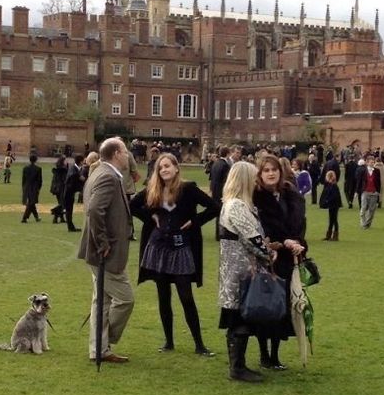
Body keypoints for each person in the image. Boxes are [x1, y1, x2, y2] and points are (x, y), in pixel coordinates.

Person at [130, 153, 218, 356]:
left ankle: (200, 345)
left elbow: (214, 207)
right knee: (163, 295)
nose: (164, 170)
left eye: (167, 166)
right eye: (160, 167)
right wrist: (151, 217)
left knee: (186, 296)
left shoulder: (188, 189)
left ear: (176, 168)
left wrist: (195, 221)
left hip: (181, 248)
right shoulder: (153, 190)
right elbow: (132, 206)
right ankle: (168, 341)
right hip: (158, 247)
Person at [219, 161, 277, 382]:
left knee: (238, 317)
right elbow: (253, 239)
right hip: (240, 271)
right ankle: (237, 367)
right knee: (239, 318)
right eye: (253, 177)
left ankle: (238, 365)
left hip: (238, 269)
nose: (257, 181)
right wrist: (269, 253)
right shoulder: (236, 206)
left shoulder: (238, 204)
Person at [78, 137, 135, 362]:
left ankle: (99, 350)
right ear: (116, 154)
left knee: (100, 301)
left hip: (100, 251)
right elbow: (93, 210)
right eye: (125, 151)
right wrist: (103, 243)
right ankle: (103, 341)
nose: (128, 155)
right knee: (125, 299)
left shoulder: (101, 173)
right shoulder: (108, 176)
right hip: (104, 253)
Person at [253, 155, 306, 370]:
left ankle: (274, 354)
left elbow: (299, 223)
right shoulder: (256, 197)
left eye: (274, 169)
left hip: (286, 258)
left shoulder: (290, 195)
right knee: (265, 306)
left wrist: (298, 243)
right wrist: (281, 242)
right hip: (267, 257)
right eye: (266, 170)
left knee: (281, 307)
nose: (271, 173)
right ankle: (264, 353)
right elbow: (261, 228)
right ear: (260, 173)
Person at [210, 146, 231, 240]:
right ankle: (220, 234)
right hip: (221, 192)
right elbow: (226, 181)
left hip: (214, 191)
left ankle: (218, 234)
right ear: (227, 154)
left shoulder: (215, 163)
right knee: (221, 213)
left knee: (218, 213)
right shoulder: (225, 165)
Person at [357, 155, 381, 229]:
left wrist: (378, 192)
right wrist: (356, 191)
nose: (372, 163)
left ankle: (367, 223)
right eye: (371, 162)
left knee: (372, 210)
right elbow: (359, 182)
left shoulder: (377, 171)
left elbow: (378, 182)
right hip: (365, 192)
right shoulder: (363, 171)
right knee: (363, 208)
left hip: (374, 193)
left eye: (373, 162)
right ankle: (363, 223)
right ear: (367, 163)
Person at [319, 170, 343, 241]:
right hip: (332, 205)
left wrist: (327, 201)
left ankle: (335, 235)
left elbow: (334, 196)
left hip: (334, 205)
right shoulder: (330, 185)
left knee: (334, 219)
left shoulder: (333, 186)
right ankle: (329, 235)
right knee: (331, 220)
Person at [64, 154, 85, 232]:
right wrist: (80, 177)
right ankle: (70, 227)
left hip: (70, 192)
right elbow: (72, 176)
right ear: (81, 161)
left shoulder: (75, 168)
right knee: (68, 210)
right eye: (83, 160)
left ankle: (71, 226)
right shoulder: (74, 168)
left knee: (69, 209)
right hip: (68, 192)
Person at [21, 154, 42, 223]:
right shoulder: (38, 169)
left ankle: (36, 217)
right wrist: (38, 188)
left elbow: (23, 179)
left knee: (31, 203)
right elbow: (40, 181)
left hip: (26, 187)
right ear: (36, 160)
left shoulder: (25, 168)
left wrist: (23, 187)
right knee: (31, 203)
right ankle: (24, 218)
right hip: (34, 188)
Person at [50, 155, 68, 224]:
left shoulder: (57, 169)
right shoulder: (63, 170)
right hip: (61, 188)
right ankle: (54, 214)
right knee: (62, 204)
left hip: (56, 188)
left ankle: (62, 218)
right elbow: (64, 180)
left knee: (61, 203)